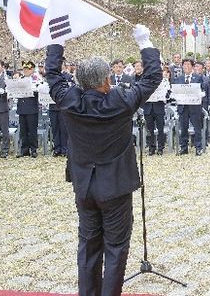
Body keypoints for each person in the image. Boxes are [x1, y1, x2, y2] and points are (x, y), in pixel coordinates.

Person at [46, 24, 161, 296]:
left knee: (88, 245)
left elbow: (52, 74)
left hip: (84, 185)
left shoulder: (69, 100)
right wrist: (144, 42)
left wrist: (58, 41)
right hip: (116, 187)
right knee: (116, 247)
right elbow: (152, 77)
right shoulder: (120, 101)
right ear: (106, 81)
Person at [171, 58, 205, 155]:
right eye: (184, 64)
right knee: (183, 128)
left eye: (188, 64)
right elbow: (175, 91)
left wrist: (200, 94)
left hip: (194, 107)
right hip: (183, 107)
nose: (186, 66)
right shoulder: (179, 79)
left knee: (197, 128)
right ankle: (184, 147)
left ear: (193, 67)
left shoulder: (198, 78)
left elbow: (202, 90)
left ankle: (198, 147)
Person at [16, 60, 40, 158]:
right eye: (24, 69)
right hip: (22, 107)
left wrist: (34, 89)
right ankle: (24, 150)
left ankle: (33, 149)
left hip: (32, 107)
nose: (25, 70)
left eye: (28, 69)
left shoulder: (36, 79)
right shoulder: (20, 79)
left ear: (32, 69)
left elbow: (40, 90)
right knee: (23, 131)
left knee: (32, 130)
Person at [144, 66, 169, 155]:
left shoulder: (164, 81)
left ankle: (160, 147)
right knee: (149, 129)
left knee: (160, 129)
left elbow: (167, 93)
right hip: (148, 107)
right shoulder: (145, 80)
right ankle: (151, 147)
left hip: (159, 106)